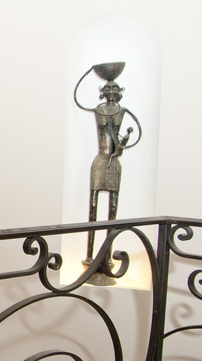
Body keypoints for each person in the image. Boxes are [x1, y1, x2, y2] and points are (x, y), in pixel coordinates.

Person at [74, 74, 141, 268]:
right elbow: (78, 99)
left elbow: (133, 135)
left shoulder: (123, 111)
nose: (111, 92)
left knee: (112, 209)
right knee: (93, 207)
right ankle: (89, 256)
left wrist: (122, 145)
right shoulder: (99, 110)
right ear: (103, 92)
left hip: (113, 163)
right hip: (100, 160)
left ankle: (108, 257)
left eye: (115, 89)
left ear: (119, 92)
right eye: (108, 89)